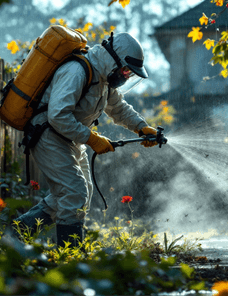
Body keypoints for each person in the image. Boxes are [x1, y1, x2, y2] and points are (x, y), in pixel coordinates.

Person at [13, 32, 158, 247]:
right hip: (49, 135)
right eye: (126, 69)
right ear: (114, 60)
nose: (127, 76)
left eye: (130, 73)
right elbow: (57, 115)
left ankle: (15, 233)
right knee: (74, 192)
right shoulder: (77, 71)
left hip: (69, 139)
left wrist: (141, 127)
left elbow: (118, 108)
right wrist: (91, 138)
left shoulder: (103, 79)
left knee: (76, 193)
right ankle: (70, 256)